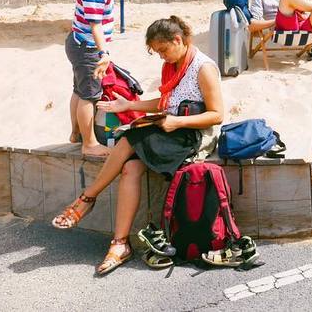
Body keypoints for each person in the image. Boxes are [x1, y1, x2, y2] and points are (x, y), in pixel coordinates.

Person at [51, 16, 224, 276]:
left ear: (178, 40)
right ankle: (120, 244)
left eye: (163, 50)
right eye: (157, 53)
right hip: (174, 129)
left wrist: (177, 122)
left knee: (131, 138)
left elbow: (217, 115)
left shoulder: (203, 68)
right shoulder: (175, 65)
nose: (162, 57)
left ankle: (87, 198)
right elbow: (166, 103)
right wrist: (130, 106)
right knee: (131, 168)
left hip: (194, 136)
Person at [66, 0, 134, 158]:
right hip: (87, 48)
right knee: (90, 95)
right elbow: (95, 26)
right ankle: (89, 143)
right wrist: (103, 53)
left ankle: (76, 132)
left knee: (80, 90)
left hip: (79, 43)